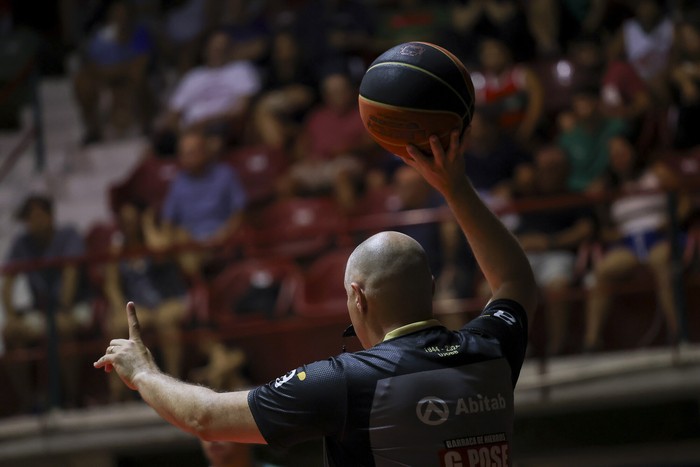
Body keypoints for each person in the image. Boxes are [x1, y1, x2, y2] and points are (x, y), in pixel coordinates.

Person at [95, 130, 537, 466]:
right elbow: (514, 279)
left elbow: (204, 418)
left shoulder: (346, 382)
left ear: (357, 298)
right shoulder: (490, 351)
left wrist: (143, 372)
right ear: (432, 288)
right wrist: (455, 186)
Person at [2, 194, 92, 409]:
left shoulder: (68, 235)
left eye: (39, 216)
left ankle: (71, 399)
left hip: (74, 306)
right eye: (29, 218)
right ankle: (28, 403)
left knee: (64, 330)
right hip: (42, 311)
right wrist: (12, 316)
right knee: (11, 333)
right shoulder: (22, 243)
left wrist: (60, 313)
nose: (34, 222)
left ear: (51, 216)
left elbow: (71, 276)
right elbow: (7, 283)